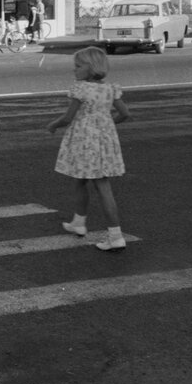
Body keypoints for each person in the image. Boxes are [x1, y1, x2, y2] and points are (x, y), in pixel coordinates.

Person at [46, 47, 131, 251]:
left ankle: (115, 235)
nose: (74, 70)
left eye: (77, 66)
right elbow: (125, 113)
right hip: (104, 140)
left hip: (85, 141)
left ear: (90, 68)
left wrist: (53, 125)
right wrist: (108, 123)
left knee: (100, 185)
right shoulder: (111, 88)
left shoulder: (81, 89)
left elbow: (68, 117)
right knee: (81, 179)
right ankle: (79, 222)